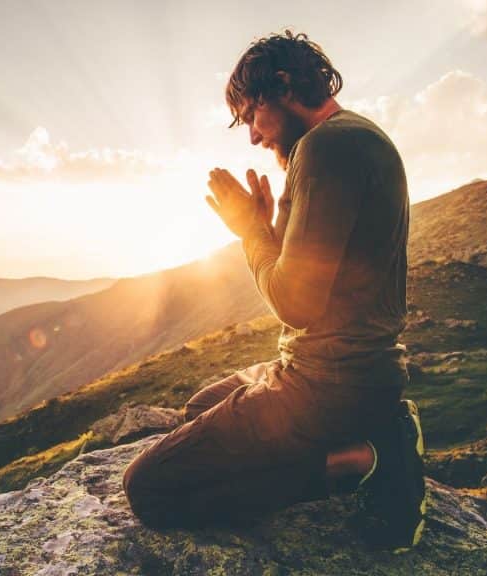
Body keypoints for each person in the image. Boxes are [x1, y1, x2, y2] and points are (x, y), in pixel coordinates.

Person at [122, 30, 425, 551]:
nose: (253, 137)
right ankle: (369, 432)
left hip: (329, 384)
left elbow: (296, 303)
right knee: (201, 408)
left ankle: (366, 460)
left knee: (148, 490)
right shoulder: (351, 137)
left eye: (251, 115)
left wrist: (251, 232)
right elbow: (323, 269)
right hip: (349, 373)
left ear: (282, 85)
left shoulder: (327, 147)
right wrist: (269, 226)